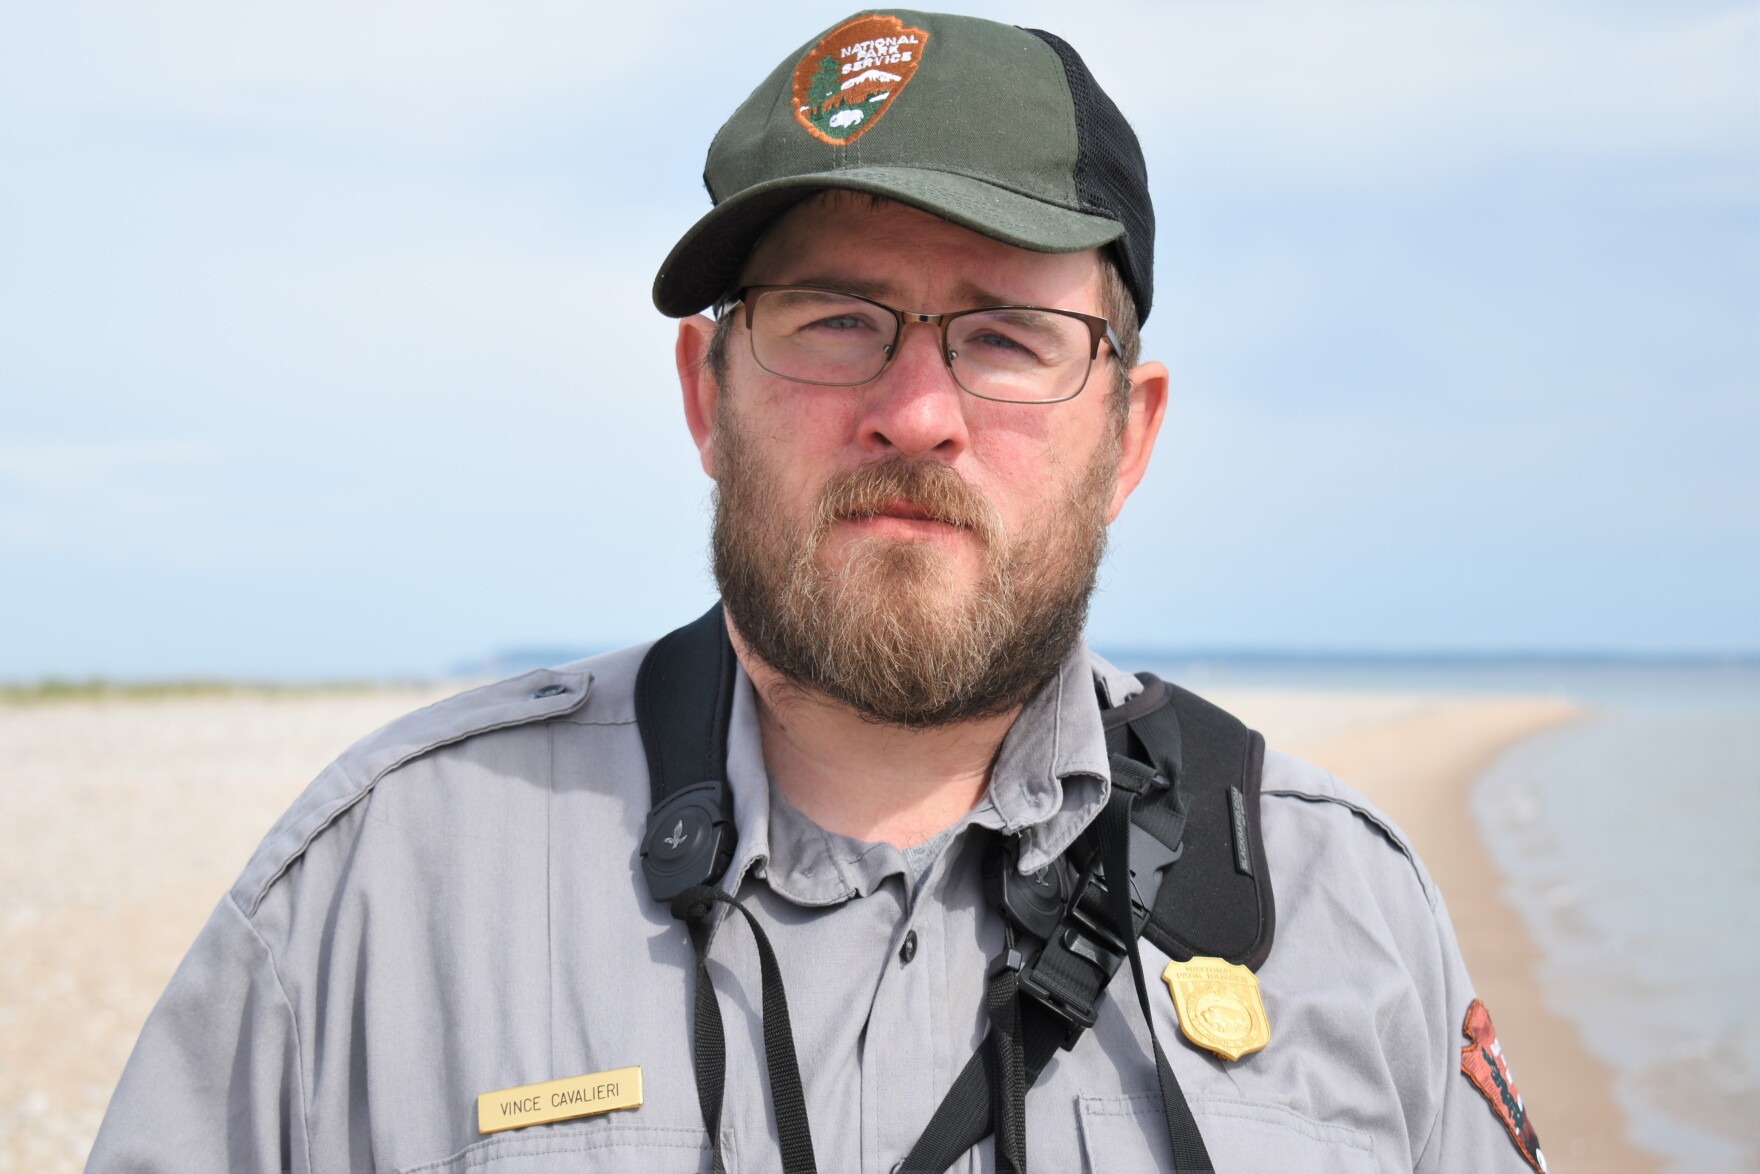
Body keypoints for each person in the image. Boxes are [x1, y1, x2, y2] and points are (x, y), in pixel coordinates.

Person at [90, 11, 1548, 1173]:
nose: (915, 412)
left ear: (1130, 433)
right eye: (836, 319)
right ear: (705, 397)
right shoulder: (382, 892)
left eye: (1007, 333)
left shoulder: (1342, 909)